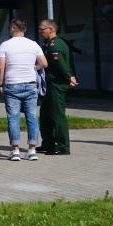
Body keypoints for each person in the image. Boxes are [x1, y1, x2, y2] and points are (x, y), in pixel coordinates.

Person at [0, 18, 48, 161]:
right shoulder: (33, 44)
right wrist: (33, 68)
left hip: (12, 84)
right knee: (31, 116)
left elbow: (0, 67)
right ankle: (32, 149)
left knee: (13, 117)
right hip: (30, 84)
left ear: (13, 28)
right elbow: (44, 63)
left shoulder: (5, 45)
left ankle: (15, 150)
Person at [38, 19, 77, 155]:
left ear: (51, 29)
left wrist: (69, 77)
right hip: (49, 85)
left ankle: (63, 146)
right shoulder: (48, 44)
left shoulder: (55, 45)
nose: (40, 32)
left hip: (57, 85)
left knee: (57, 116)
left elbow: (61, 65)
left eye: (42, 29)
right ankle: (48, 143)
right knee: (45, 115)